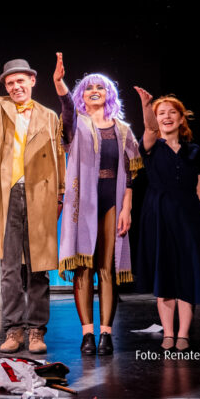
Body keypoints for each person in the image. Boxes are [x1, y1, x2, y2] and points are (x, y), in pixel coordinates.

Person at [0, 32, 65, 354]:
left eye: (20, 81)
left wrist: (59, 196)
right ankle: (14, 329)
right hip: (7, 197)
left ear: (32, 80)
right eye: (10, 83)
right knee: (8, 269)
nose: (16, 86)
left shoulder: (49, 116)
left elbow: (59, 158)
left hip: (39, 197)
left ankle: (37, 331)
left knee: (39, 267)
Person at [53, 53, 141, 356]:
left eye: (100, 87)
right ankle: (87, 334)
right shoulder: (75, 125)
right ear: (82, 94)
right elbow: (66, 109)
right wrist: (59, 83)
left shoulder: (123, 130)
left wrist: (127, 208)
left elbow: (130, 174)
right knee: (83, 267)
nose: (94, 90)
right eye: (88, 87)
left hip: (112, 201)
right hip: (82, 204)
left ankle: (106, 334)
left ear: (108, 94)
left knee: (107, 267)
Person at [133, 89, 200, 351]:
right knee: (165, 274)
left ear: (181, 119)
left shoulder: (194, 151)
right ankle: (168, 333)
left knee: (188, 274)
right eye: (161, 113)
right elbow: (149, 128)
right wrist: (147, 106)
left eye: (172, 113)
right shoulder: (151, 147)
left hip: (189, 217)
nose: (166, 117)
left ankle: (184, 333)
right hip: (159, 216)